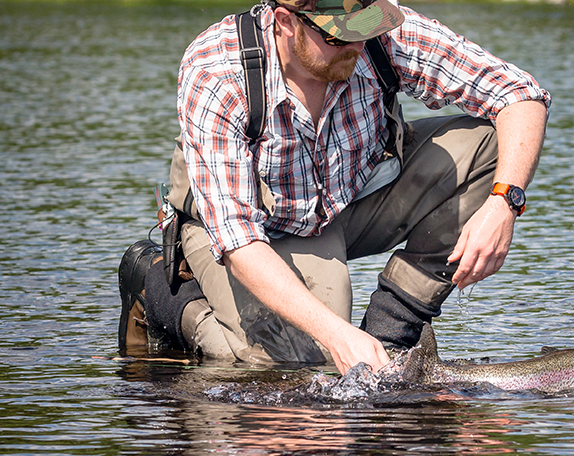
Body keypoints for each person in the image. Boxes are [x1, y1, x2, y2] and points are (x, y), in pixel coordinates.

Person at [118, 0, 549, 374]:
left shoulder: (380, 34)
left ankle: (392, 334)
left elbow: (520, 94)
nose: (359, 46)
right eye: (339, 38)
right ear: (286, 22)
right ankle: (157, 285)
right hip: (252, 232)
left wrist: (504, 202)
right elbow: (239, 241)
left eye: (367, 29)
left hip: (351, 199)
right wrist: (337, 335)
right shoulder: (218, 71)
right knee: (296, 362)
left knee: (490, 147)